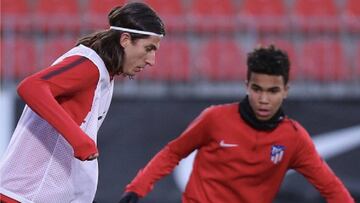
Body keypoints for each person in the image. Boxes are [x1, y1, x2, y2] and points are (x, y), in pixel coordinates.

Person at [118, 45, 354, 203]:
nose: (263, 99)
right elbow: (172, 153)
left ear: (285, 91)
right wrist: (137, 188)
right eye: (257, 89)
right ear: (246, 86)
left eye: (272, 91)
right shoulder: (215, 119)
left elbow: (330, 186)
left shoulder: (293, 138)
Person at [0, 2, 165, 203]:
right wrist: (78, 139)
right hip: (25, 196)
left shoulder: (104, 73)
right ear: (125, 39)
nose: (152, 60)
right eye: (148, 48)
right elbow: (31, 87)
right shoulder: (90, 65)